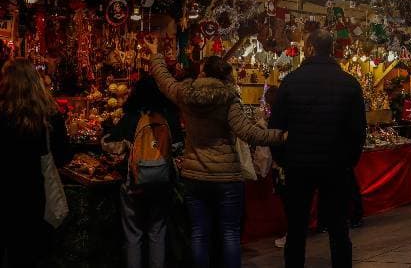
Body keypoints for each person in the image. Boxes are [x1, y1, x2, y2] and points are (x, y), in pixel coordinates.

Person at [150, 55, 286, 268]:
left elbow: (163, 79)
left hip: (194, 175)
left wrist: (156, 55)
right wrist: (281, 135)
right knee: (230, 234)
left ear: (203, 72)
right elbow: (248, 133)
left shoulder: (185, 94)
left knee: (199, 233)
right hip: (226, 177)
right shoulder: (228, 98)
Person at [268, 29, 366, 268]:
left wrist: (284, 158)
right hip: (336, 165)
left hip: (299, 165)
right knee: (338, 229)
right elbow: (358, 132)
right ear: (331, 49)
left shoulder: (291, 81)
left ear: (310, 48)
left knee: (297, 229)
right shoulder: (349, 84)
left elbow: (276, 128)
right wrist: (347, 161)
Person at [104, 76, 184, 268]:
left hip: (134, 183)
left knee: (134, 235)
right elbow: (179, 146)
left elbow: (112, 145)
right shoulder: (169, 117)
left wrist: (106, 133)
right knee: (158, 233)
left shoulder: (131, 117)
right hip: (162, 182)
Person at [0, 59, 73, 268]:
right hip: (34, 198)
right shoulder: (49, 116)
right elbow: (63, 156)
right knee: (32, 256)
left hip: (4, 197)